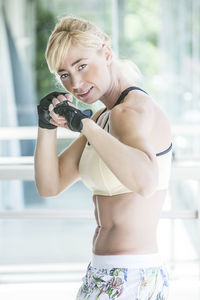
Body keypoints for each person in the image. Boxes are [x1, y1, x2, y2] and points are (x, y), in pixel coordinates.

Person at [34, 16, 172, 299]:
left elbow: (146, 183)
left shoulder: (131, 111)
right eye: (64, 74)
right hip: (104, 271)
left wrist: (83, 125)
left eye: (81, 66)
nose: (75, 82)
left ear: (106, 53)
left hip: (131, 275)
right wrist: (46, 126)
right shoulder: (103, 116)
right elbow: (51, 185)